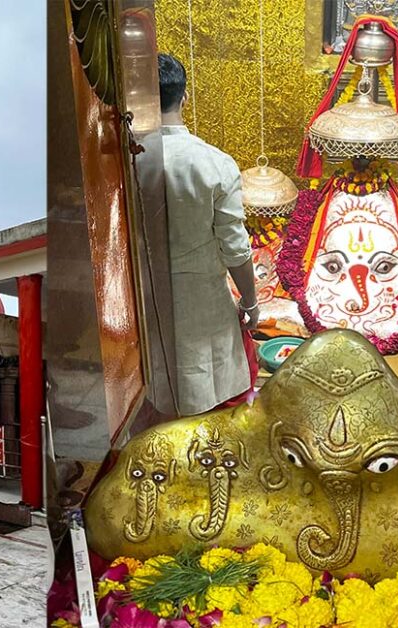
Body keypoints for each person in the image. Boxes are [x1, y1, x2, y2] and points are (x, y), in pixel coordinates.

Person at [159, 52, 259, 416]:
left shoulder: (124, 161)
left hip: (140, 302)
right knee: (209, 409)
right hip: (202, 305)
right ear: (184, 97)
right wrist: (250, 303)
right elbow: (235, 248)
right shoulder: (214, 163)